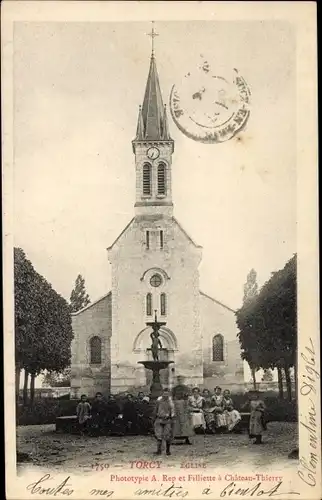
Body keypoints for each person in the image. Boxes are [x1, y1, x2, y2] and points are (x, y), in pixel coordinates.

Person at [172, 376, 194, 444]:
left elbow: (188, 398)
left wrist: (185, 401)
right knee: (176, 422)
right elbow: (173, 397)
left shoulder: (186, 388)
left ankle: (186, 438)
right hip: (176, 405)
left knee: (185, 422)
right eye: (178, 379)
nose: (179, 381)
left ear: (183, 380)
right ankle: (174, 438)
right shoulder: (174, 388)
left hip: (184, 406)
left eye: (181, 379)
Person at [153, 388, 175, 455]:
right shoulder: (158, 401)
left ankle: (168, 450)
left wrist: (171, 417)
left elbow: (173, 412)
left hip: (167, 420)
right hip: (159, 420)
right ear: (162, 394)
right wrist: (154, 419)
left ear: (169, 394)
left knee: (167, 436)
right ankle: (159, 450)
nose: (165, 396)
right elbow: (155, 410)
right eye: (164, 394)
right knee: (158, 436)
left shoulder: (171, 403)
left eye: (167, 394)